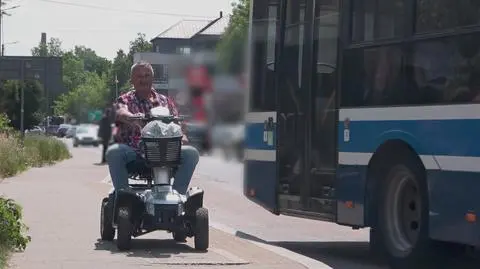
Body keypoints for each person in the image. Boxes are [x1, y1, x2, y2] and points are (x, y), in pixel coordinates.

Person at [106, 61, 199, 195]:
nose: (143, 79)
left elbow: (178, 124)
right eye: (139, 76)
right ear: (132, 79)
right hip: (136, 153)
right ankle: (124, 198)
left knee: (191, 153)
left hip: (166, 154)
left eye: (147, 75)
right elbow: (120, 112)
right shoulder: (125, 99)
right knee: (114, 152)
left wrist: (183, 136)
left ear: (152, 78)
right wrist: (133, 118)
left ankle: (178, 197)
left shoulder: (165, 101)